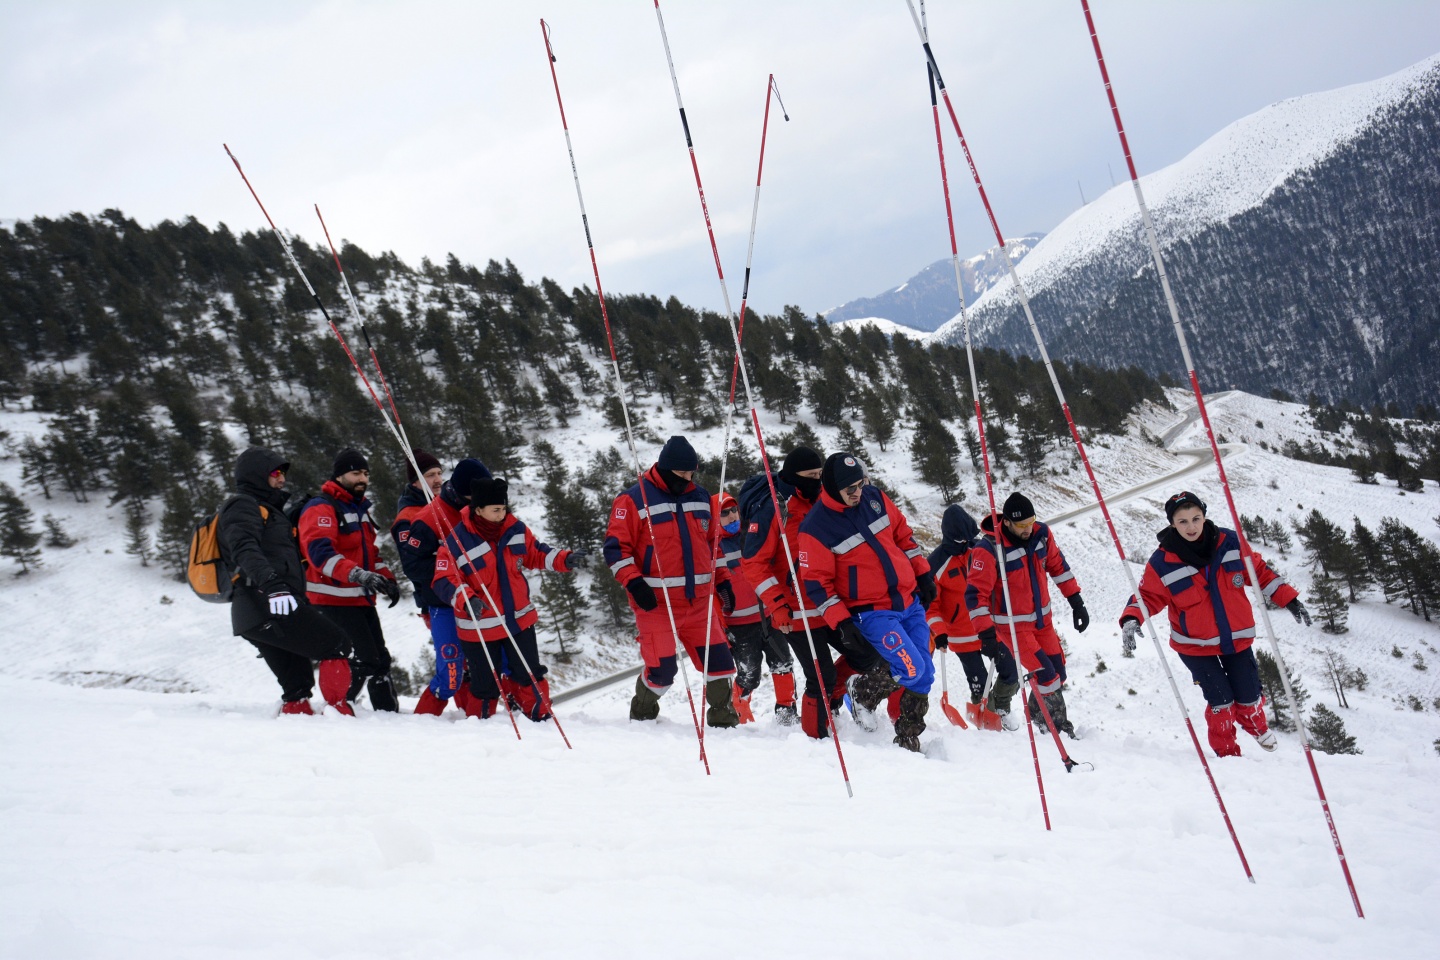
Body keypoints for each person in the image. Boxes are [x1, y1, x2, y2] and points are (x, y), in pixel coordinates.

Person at [1119, 491, 1309, 757]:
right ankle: (1227, 752)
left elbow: (1259, 572)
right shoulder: (1163, 561)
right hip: (1194, 645)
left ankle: (1255, 725)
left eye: (1196, 518)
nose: (1191, 526)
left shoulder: (1229, 542)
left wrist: (1288, 599)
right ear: (1172, 523)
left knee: (1249, 693)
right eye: (1182, 521)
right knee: (1221, 700)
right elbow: (1148, 596)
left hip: (1236, 636)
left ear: (1204, 515)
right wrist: (1131, 618)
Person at [739, 447, 883, 740]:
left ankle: (830, 702)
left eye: (820, 475)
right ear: (793, 477)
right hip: (795, 611)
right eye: (811, 476)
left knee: (866, 654)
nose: (817, 481)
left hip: (829, 604)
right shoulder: (774, 509)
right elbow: (753, 563)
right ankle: (815, 740)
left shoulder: (823, 501)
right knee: (821, 676)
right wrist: (778, 605)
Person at [798, 453, 938, 752]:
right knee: (911, 669)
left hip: (908, 601)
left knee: (925, 673)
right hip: (873, 612)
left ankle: (907, 737)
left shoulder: (875, 498)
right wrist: (842, 622)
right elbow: (816, 584)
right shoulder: (815, 527)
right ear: (833, 488)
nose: (857, 492)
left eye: (860, 484)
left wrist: (923, 574)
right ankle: (861, 692)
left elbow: (903, 536)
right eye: (850, 489)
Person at [603, 436, 740, 727]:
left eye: (692, 474)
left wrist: (723, 581)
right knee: (662, 671)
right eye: (681, 475)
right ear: (665, 469)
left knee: (720, 666)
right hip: (656, 604)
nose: (687, 480)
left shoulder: (701, 497)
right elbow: (616, 549)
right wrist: (634, 583)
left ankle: (724, 724)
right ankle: (642, 716)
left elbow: (712, 545)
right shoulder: (633, 499)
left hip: (700, 603)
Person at [433, 476, 586, 721]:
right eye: (495, 510)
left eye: (504, 508)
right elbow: (444, 579)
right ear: (478, 509)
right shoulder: (457, 541)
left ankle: (540, 717)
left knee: (529, 674)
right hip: (479, 626)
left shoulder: (515, 529)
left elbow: (536, 553)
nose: (501, 515)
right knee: (485, 685)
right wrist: (467, 600)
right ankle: (482, 726)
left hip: (518, 620)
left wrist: (563, 559)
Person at [217, 447, 354, 715]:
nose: (282, 479)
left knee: (298, 684)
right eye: (275, 473)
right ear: (256, 475)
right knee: (336, 644)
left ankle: (297, 720)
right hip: (265, 601)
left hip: (261, 608)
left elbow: (276, 552)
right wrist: (273, 586)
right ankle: (339, 713)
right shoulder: (242, 504)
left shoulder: (267, 509)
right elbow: (244, 548)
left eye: (282, 473)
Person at [964, 492, 1089, 737]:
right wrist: (986, 633)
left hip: (1042, 622)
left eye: (1031, 522)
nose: (1028, 529)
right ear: (1006, 522)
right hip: (1013, 627)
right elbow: (975, 595)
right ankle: (1055, 728)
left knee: (1059, 673)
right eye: (1022, 525)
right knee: (1047, 676)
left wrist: (1076, 601)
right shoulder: (989, 550)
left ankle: (1041, 718)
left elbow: (1058, 567)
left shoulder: (1041, 535)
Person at [297, 448, 402, 712]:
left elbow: (370, 554)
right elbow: (320, 554)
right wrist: (358, 574)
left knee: (380, 660)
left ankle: (389, 715)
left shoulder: (359, 510)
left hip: (359, 598)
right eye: (356, 473)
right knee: (364, 659)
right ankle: (337, 708)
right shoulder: (321, 507)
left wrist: (387, 578)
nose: (362, 479)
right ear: (340, 475)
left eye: (366, 474)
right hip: (332, 599)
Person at [394, 457, 492, 715]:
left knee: (486, 667)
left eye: (439, 473)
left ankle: (476, 721)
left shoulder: (480, 510)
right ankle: (424, 722)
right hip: (442, 602)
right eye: (430, 474)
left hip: (477, 601)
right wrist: (447, 566)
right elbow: (412, 566)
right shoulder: (425, 518)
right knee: (451, 672)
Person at [713, 491, 797, 724]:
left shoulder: (752, 536)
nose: (731, 517)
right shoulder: (711, 548)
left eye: (733, 511)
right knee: (749, 675)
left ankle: (786, 713)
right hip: (738, 625)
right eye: (724, 513)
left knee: (783, 663)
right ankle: (739, 714)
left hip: (767, 616)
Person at [926, 503, 1008, 727]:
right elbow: (931, 607)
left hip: (989, 630)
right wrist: (940, 633)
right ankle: (986, 724)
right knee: (980, 685)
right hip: (961, 636)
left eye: (969, 539)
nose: (966, 544)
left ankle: (999, 708)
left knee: (1009, 673)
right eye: (961, 541)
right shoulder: (935, 565)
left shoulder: (979, 551)